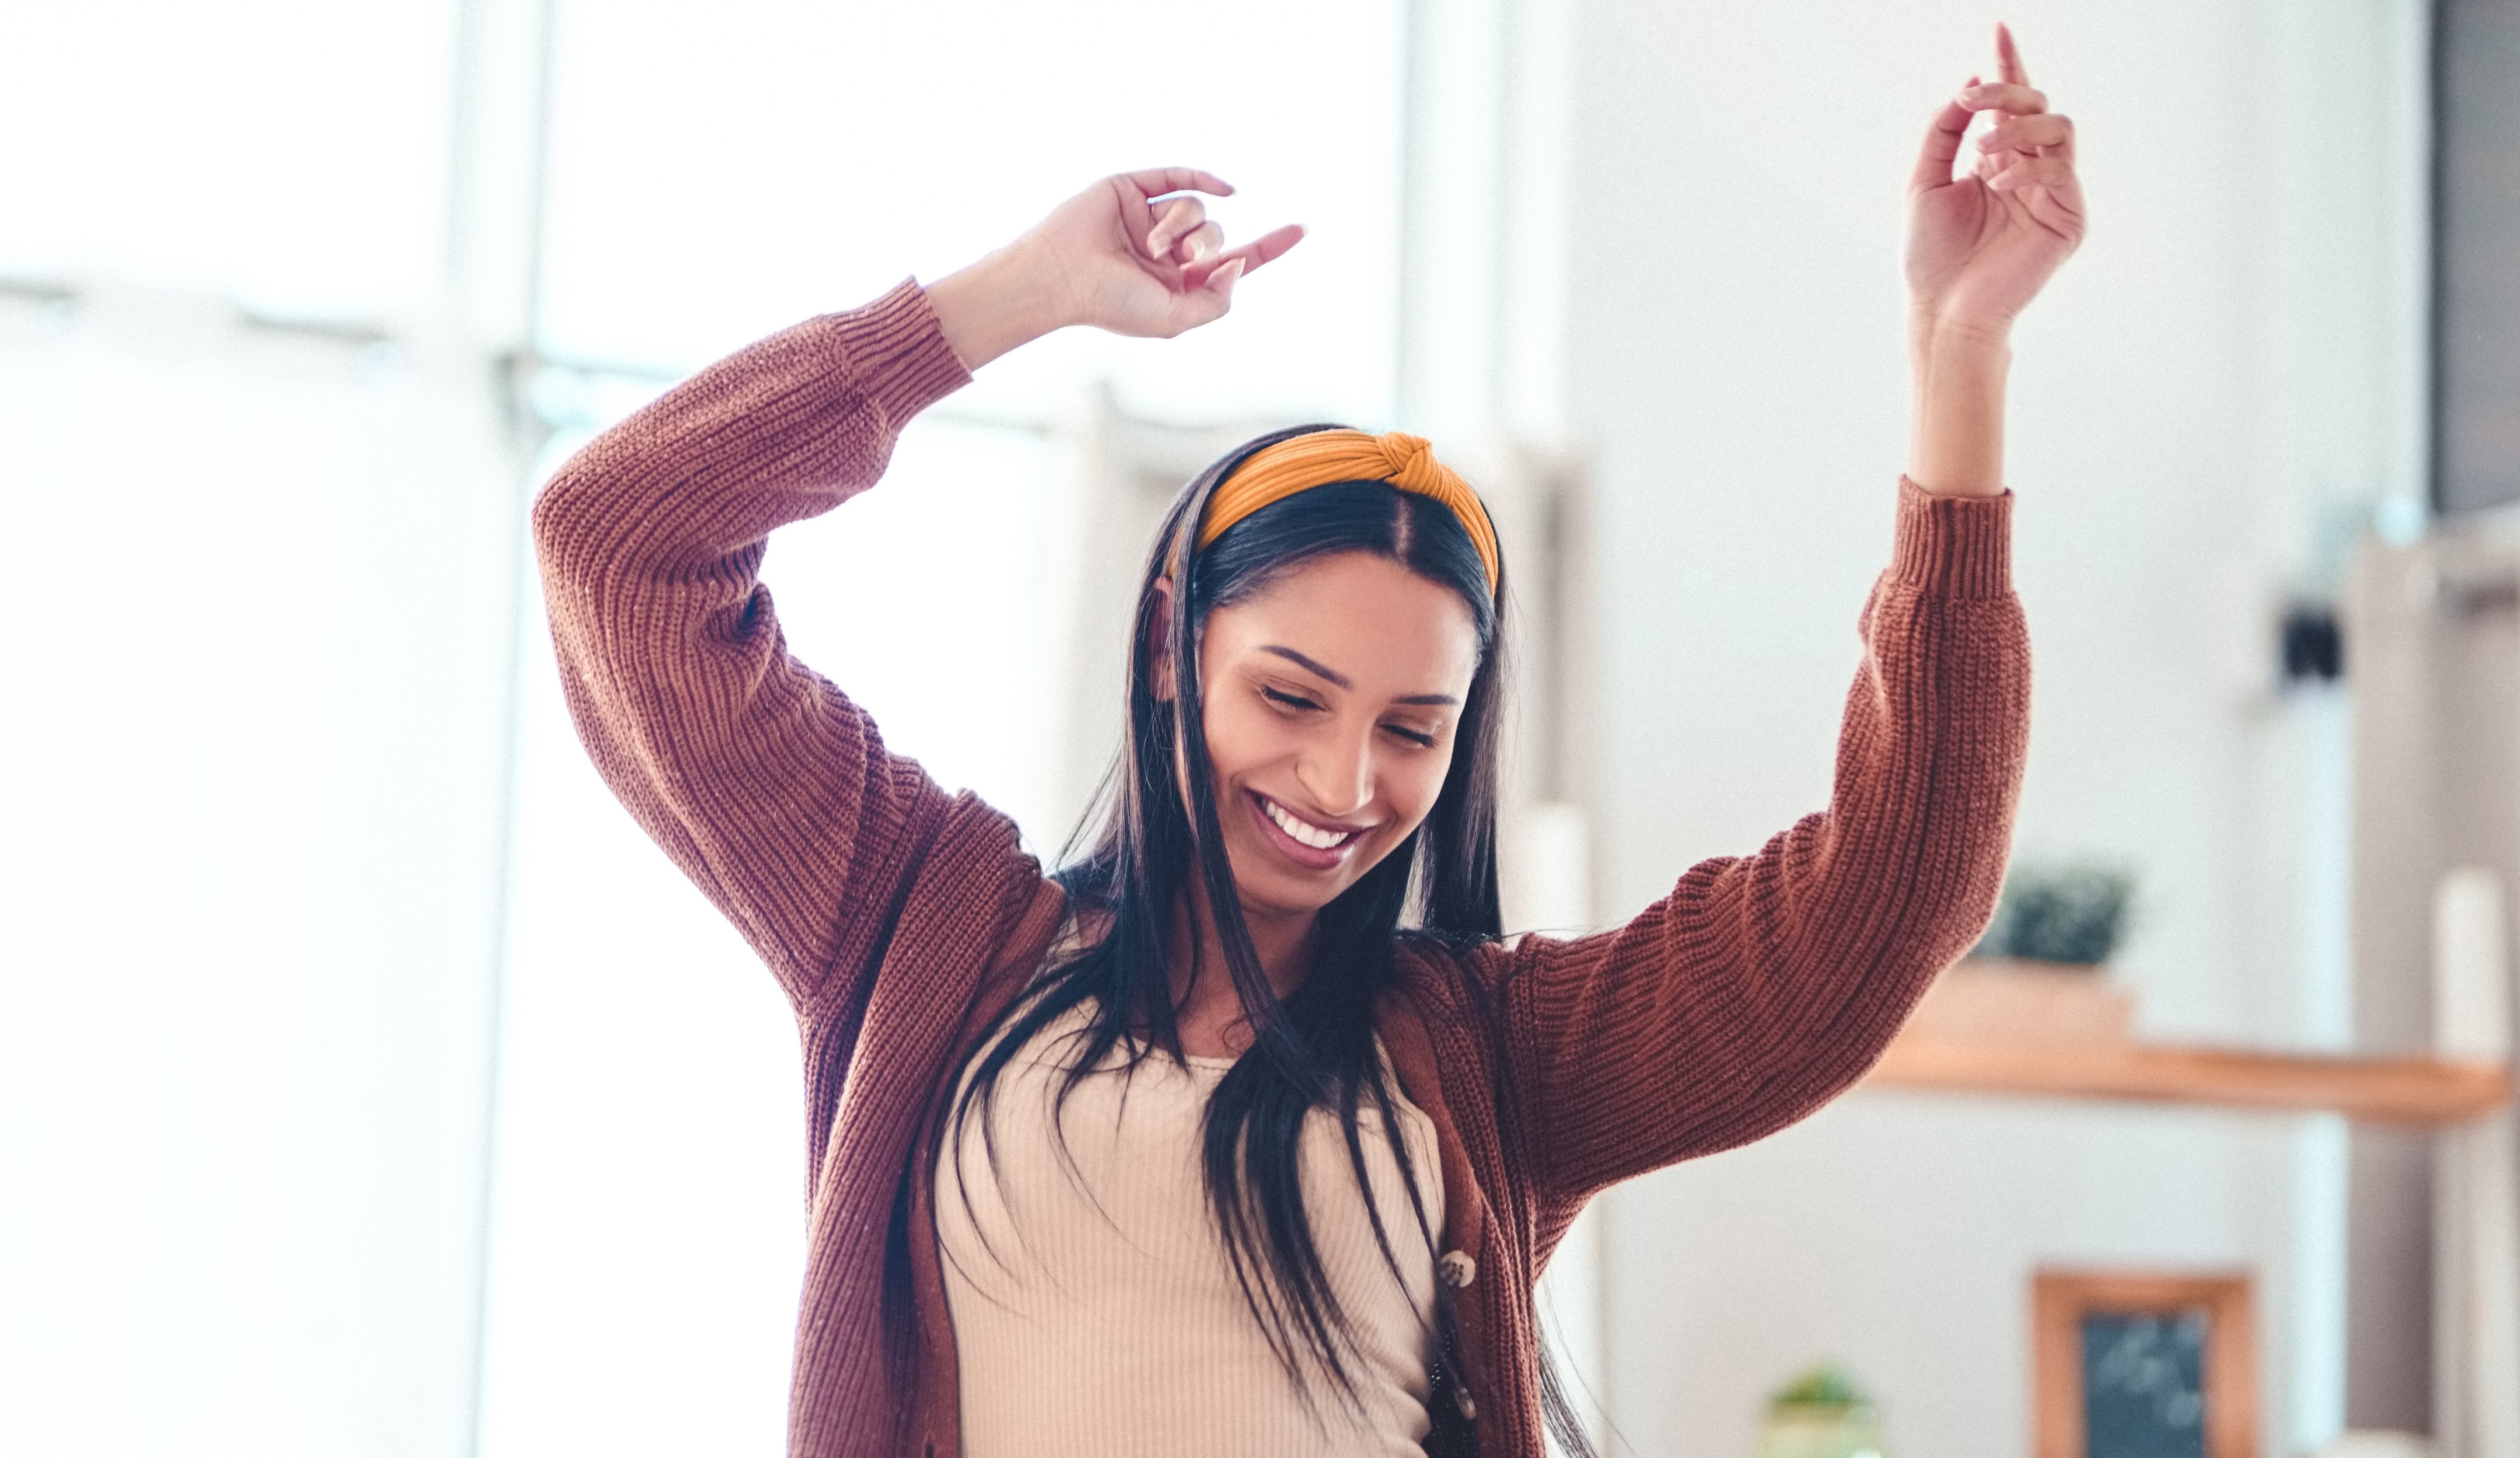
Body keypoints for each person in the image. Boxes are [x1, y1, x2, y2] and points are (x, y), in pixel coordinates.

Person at [530, 25, 2079, 1458]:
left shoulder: (1501, 1057)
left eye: (1415, 727)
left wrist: (1964, 353)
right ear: (1167, 644)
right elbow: (619, 543)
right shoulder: (919, 923)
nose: (1346, 786)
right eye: (1290, 696)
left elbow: (1899, 887)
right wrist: (1011, 298)